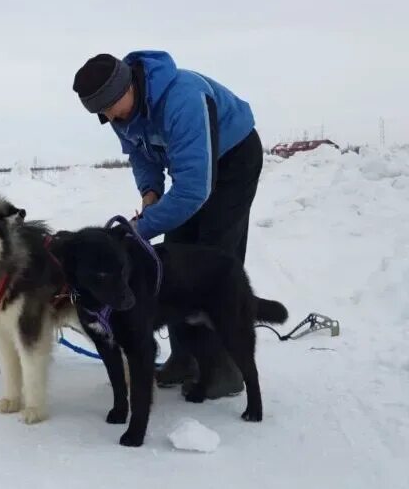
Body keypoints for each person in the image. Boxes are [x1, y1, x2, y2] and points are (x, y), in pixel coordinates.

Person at [71, 50, 264, 398]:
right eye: (101, 113)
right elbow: (140, 155)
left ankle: (223, 368)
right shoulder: (120, 111)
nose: (110, 116)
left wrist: (138, 229)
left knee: (212, 259)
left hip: (234, 160)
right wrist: (150, 193)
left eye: (111, 106)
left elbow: (193, 190)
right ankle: (185, 357)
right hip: (193, 170)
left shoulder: (183, 99)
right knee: (172, 261)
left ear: (128, 85)